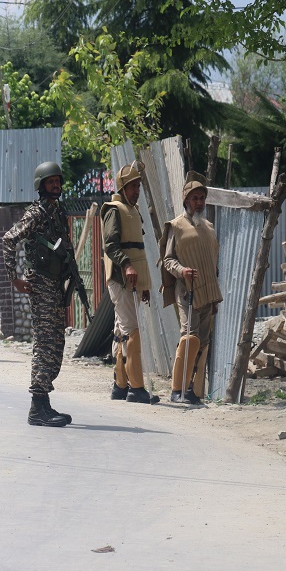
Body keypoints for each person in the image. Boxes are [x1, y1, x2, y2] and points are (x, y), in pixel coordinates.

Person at [2, 161, 74, 428]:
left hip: (54, 283)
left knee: (56, 342)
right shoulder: (38, 213)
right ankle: (36, 408)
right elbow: (9, 239)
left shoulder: (57, 211)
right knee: (45, 342)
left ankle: (44, 402)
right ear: (41, 185)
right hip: (40, 282)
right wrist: (14, 278)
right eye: (50, 182)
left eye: (57, 181)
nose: (55, 185)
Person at [159, 171, 222, 404]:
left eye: (202, 198)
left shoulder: (209, 226)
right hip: (186, 292)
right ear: (186, 201)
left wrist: (215, 298)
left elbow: (213, 263)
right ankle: (177, 390)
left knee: (203, 343)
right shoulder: (176, 226)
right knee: (189, 338)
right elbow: (168, 260)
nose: (199, 202)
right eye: (195, 198)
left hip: (208, 293)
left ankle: (194, 392)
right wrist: (182, 271)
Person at [100, 160, 158, 404]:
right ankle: (137, 388)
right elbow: (110, 245)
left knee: (121, 331)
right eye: (133, 186)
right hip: (120, 279)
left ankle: (120, 386)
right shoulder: (114, 210)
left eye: (139, 186)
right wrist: (126, 265)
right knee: (131, 330)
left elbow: (139, 251)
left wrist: (143, 284)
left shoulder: (133, 210)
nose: (137, 191)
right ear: (123, 187)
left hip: (132, 280)